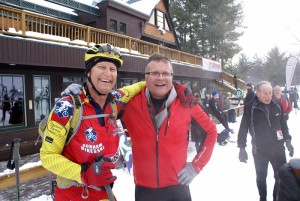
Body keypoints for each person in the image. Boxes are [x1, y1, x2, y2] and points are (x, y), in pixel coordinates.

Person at [40, 44, 148, 201]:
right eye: (101, 67)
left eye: (112, 69)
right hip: (72, 195)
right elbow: (47, 156)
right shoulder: (67, 106)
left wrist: (172, 85)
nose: (108, 73)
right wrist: (83, 174)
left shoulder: (114, 100)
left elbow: (136, 87)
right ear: (89, 72)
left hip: (102, 192)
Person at [120, 54, 217, 201]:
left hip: (178, 187)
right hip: (145, 189)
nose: (160, 78)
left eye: (165, 73)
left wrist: (197, 165)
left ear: (172, 77)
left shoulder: (186, 103)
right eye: (154, 73)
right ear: (145, 76)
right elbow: (99, 113)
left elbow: (211, 130)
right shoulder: (130, 103)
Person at [237, 81, 294, 201]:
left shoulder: (277, 104)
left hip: (278, 148)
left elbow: (283, 124)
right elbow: (243, 128)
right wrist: (242, 147)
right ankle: (262, 197)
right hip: (260, 150)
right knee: (261, 177)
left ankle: (275, 197)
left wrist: (287, 140)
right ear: (257, 94)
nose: (269, 96)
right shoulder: (250, 107)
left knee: (280, 177)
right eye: (265, 93)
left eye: (270, 93)